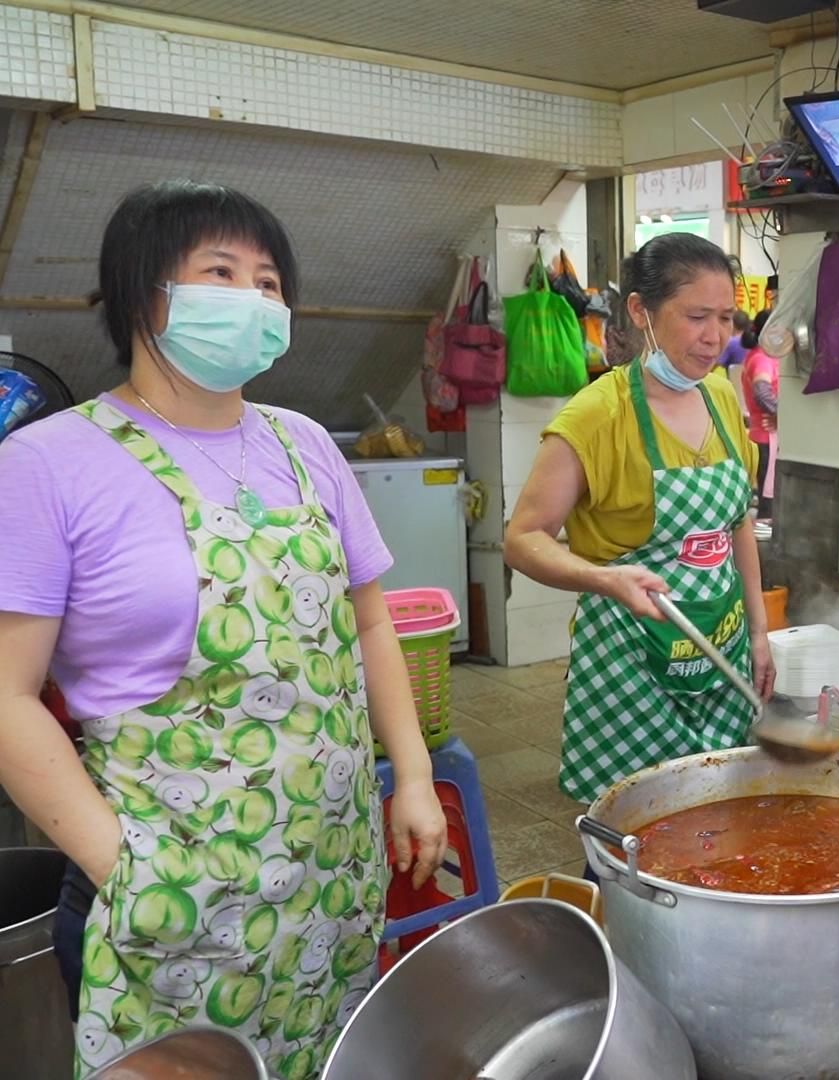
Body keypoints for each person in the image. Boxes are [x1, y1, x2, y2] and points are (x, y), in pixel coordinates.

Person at [0, 181, 447, 1079]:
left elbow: (369, 623)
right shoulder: (49, 462)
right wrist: (125, 870)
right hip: (171, 896)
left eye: (271, 280)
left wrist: (416, 776)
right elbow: (7, 696)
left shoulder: (305, 442)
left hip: (329, 875)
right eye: (221, 272)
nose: (255, 299)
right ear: (139, 293)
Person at [504, 233, 773, 806]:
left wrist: (758, 629)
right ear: (640, 312)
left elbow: (737, 523)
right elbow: (523, 539)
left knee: (718, 810)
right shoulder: (598, 414)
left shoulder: (722, 395)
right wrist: (606, 579)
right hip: (630, 662)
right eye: (696, 316)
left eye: (725, 318)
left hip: (714, 646)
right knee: (638, 825)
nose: (715, 337)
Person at [740, 309, 778, 522]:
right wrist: (783, 415)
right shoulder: (762, 358)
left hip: (765, 435)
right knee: (768, 504)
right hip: (765, 437)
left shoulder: (760, 355)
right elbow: (761, 390)